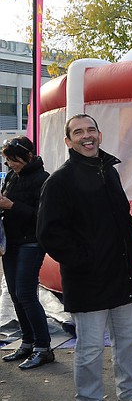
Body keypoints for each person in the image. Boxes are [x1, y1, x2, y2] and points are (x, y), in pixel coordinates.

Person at [37, 114, 132, 401]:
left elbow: (122, 219)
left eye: (91, 130)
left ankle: (129, 391)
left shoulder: (109, 172)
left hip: (120, 276)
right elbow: (49, 233)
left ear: (100, 135)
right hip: (87, 280)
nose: (86, 136)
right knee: (90, 348)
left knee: (127, 340)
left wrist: (129, 253)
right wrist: (85, 260)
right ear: (68, 141)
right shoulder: (60, 181)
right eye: (78, 132)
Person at [0, 136, 52, 370]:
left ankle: (44, 347)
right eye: (7, 161)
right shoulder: (11, 176)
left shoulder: (44, 179)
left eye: (14, 160)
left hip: (31, 242)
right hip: (11, 242)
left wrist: (11, 206)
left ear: (28, 156)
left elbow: (44, 216)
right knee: (15, 294)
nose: (10, 164)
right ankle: (28, 342)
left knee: (26, 293)